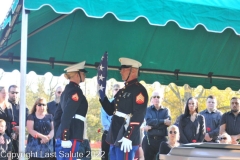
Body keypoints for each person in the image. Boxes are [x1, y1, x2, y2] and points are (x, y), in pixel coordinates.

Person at [99, 57, 149, 160]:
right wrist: (102, 96)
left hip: (126, 137)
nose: (121, 71)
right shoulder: (122, 91)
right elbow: (110, 110)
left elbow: (138, 115)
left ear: (134, 70)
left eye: (124, 68)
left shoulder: (139, 90)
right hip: (115, 135)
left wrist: (128, 136)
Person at [54, 61, 88, 160]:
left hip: (64, 135)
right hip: (71, 134)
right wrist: (65, 137)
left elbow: (57, 116)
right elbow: (66, 115)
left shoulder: (66, 91)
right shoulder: (76, 91)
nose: (84, 75)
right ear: (77, 74)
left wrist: (58, 134)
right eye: (83, 73)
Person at [142, 90, 171, 160]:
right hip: (149, 140)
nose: (156, 98)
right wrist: (163, 121)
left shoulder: (166, 111)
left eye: (158, 97)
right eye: (154, 97)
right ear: (151, 99)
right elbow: (149, 121)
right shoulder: (147, 110)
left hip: (162, 140)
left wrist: (153, 125)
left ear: (162, 99)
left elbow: (168, 124)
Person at [8, 85, 29, 160]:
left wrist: (20, 128)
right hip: (5, 136)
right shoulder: (3, 105)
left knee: (17, 157)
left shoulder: (24, 107)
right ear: (8, 93)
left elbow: (28, 121)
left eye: (16, 92)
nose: (15, 94)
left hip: (18, 138)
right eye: (12, 92)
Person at [101, 84, 120, 160]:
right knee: (105, 157)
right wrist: (114, 129)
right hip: (107, 134)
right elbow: (104, 121)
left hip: (120, 136)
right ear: (112, 91)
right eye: (116, 89)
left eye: (119, 90)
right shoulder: (107, 104)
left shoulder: (124, 105)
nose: (117, 91)